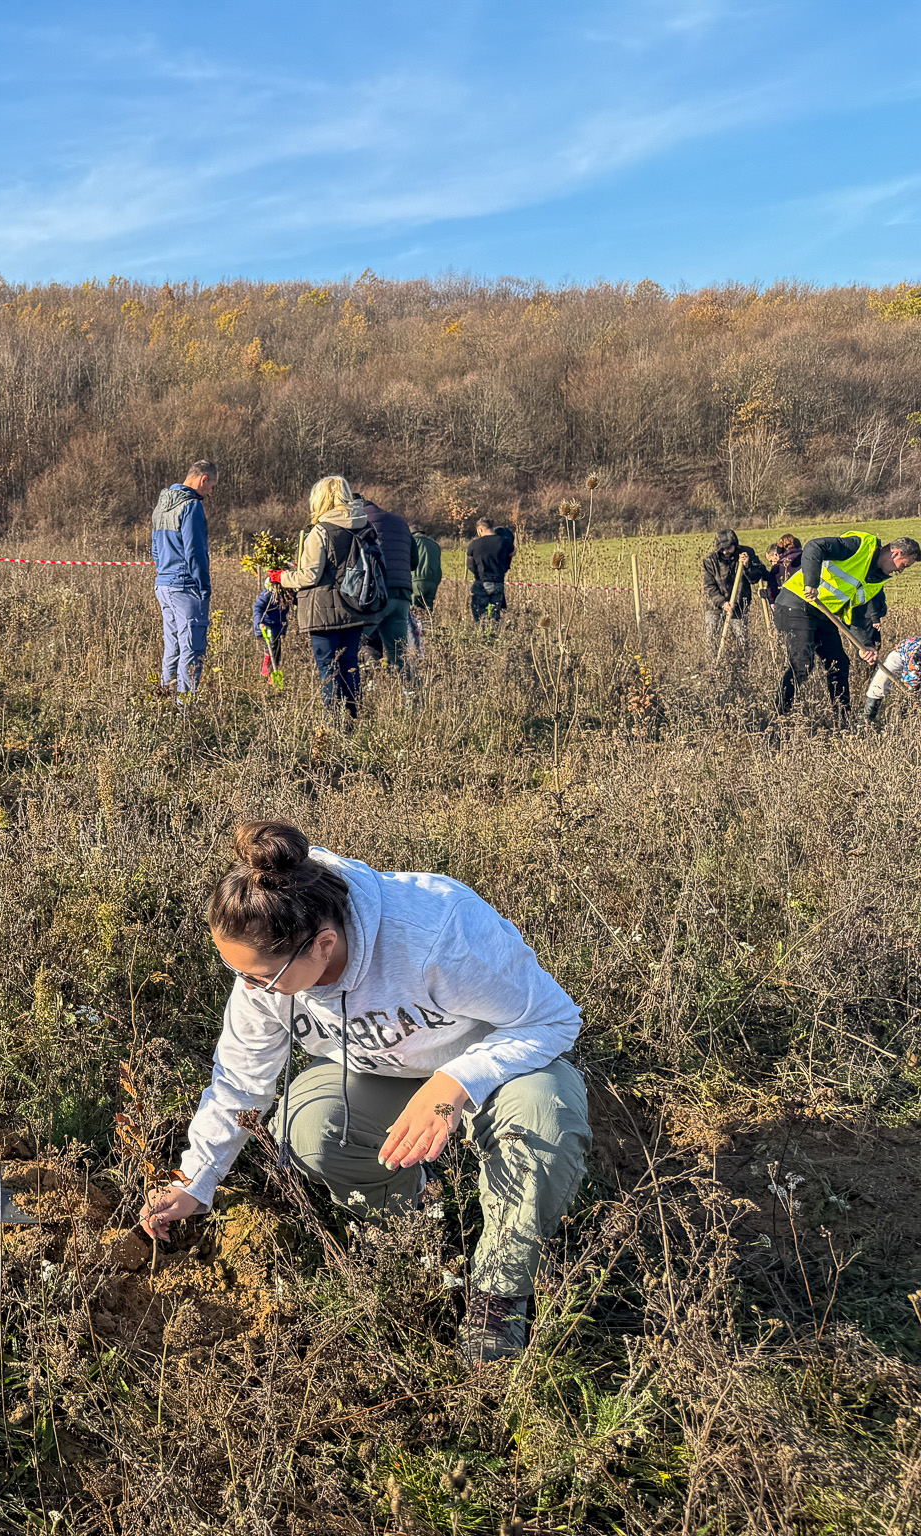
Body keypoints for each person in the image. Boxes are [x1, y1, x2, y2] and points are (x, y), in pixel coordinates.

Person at [139, 821, 591, 1365]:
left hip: (498, 1071)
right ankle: (421, 1233)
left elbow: (552, 1021)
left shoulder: (438, 929)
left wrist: (453, 1084)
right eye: (240, 976)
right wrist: (197, 1179)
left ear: (324, 944)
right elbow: (240, 1080)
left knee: (544, 1125)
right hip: (382, 1078)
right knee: (306, 1125)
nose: (251, 990)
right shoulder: (264, 969)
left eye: (261, 978)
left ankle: (498, 1296)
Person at [772, 531, 920, 719]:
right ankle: (779, 715)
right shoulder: (860, 546)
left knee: (839, 664)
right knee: (802, 664)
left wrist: (864, 645)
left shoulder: (874, 581)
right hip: (796, 603)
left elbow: (855, 617)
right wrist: (811, 582)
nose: (900, 571)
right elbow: (814, 547)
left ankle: (842, 719)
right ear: (896, 553)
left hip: (823, 614)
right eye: (903, 565)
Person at [291, 475, 375, 721]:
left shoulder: (321, 531)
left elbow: (309, 576)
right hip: (356, 606)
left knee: (328, 667)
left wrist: (282, 577)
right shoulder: (366, 526)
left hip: (323, 612)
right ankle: (353, 717)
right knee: (349, 664)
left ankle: (332, 721)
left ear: (321, 499)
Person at [152, 461, 216, 697]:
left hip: (164, 584)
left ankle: (166, 701)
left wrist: (165, 573)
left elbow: (155, 551)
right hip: (186, 588)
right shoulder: (191, 507)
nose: (211, 493)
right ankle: (186, 709)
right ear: (203, 480)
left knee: (173, 646)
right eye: (212, 486)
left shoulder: (161, 506)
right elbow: (195, 552)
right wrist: (204, 587)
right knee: (192, 649)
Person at [359, 495, 415, 675]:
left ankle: (364, 689)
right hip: (402, 595)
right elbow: (414, 560)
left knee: (352, 646)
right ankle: (411, 695)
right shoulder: (400, 522)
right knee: (400, 654)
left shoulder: (358, 521)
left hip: (374, 594)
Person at [700, 530, 768, 655]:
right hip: (716, 607)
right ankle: (713, 667)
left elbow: (755, 578)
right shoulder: (710, 561)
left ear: (735, 545)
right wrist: (722, 602)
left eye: (729, 548)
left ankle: (743, 663)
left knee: (742, 640)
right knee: (711, 640)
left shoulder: (747, 553)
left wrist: (747, 565)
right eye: (722, 549)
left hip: (739, 606)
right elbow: (709, 587)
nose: (725, 552)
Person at [861, 636, 921, 730]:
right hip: (902, 653)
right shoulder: (916, 657)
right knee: (880, 682)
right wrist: (915, 699)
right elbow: (912, 683)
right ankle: (867, 721)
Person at [465, 518, 514, 625]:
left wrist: (479, 575)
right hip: (498, 582)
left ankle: (483, 635)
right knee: (495, 613)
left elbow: (469, 565)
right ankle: (494, 633)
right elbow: (513, 553)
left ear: (480, 530)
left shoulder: (474, 544)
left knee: (479, 613)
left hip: (481, 582)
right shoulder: (504, 541)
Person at [252, 578, 292, 687]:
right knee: (272, 645)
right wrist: (259, 624)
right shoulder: (267, 595)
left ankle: (274, 670)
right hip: (267, 625)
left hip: (278, 626)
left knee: (277, 650)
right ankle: (268, 669)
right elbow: (258, 608)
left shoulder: (285, 595)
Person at [411, 529, 443, 613]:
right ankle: (429, 625)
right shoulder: (435, 545)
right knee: (427, 612)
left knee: (413, 612)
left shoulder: (412, 541)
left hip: (416, 580)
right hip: (432, 582)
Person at [764, 535, 802, 601]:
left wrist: (767, 594)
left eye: (772, 561)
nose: (772, 564)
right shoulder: (808, 559)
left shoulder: (779, 569)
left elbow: (773, 592)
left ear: (776, 554)